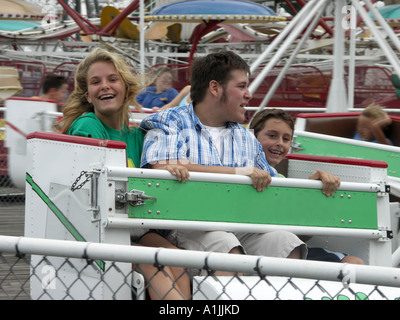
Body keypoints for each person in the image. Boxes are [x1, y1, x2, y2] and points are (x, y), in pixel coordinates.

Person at [140, 51, 307, 275]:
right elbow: (163, 166)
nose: (248, 95)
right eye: (242, 86)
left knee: (286, 243)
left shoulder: (245, 137)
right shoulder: (170, 121)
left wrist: (312, 183)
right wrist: (238, 172)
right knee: (224, 245)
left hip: (239, 225)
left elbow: (271, 182)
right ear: (215, 88)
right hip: (188, 225)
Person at [61, 47, 191, 300]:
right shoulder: (88, 125)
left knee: (179, 262)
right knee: (156, 267)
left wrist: (167, 167)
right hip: (99, 231)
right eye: (96, 82)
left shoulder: (138, 136)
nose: (104, 86)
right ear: (88, 95)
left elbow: (156, 171)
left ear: (126, 88)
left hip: (134, 228)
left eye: (112, 79)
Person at [249, 108, 364, 264]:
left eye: (286, 139)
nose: (279, 144)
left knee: (353, 262)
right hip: (262, 249)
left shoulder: (281, 178)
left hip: (291, 246)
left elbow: (301, 231)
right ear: (252, 137)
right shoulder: (244, 173)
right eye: (272, 136)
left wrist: (314, 189)